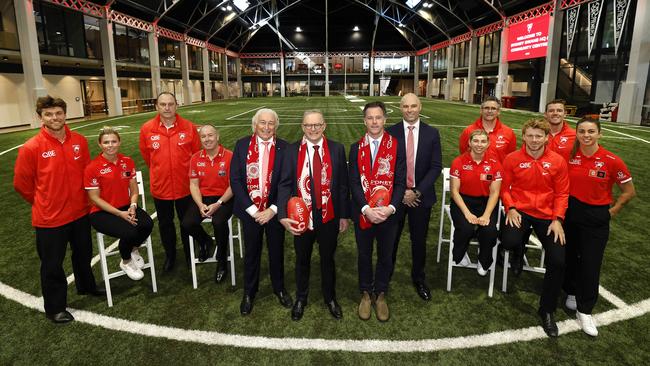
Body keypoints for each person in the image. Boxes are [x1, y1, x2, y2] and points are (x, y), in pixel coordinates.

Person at [14, 95, 104, 324]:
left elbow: (87, 173)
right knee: (52, 264)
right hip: (50, 218)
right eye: (49, 114)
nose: (55, 118)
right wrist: (44, 202)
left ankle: (86, 286)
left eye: (58, 113)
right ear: (41, 117)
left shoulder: (80, 141)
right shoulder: (31, 147)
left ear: (65, 114)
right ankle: (55, 308)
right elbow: (21, 184)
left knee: (83, 254)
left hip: (80, 212)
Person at [563, 117, 635, 336]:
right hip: (570, 212)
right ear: (577, 134)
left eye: (591, 131)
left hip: (596, 217)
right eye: (582, 131)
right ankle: (571, 292)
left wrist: (612, 211)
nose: (586, 135)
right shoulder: (569, 156)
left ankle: (585, 311)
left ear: (599, 134)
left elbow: (629, 191)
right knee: (569, 256)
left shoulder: (612, 160)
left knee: (591, 263)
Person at [278, 110, 350, 321]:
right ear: (302, 127)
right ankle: (301, 298)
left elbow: (343, 186)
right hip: (301, 215)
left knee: (328, 258)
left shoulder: (336, 149)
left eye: (317, 124)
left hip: (328, 216)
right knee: (302, 259)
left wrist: (344, 215)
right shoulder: (292, 151)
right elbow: (283, 185)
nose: (313, 129)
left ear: (324, 125)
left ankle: (330, 297)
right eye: (309, 125)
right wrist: (283, 214)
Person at [500, 118, 569, 338]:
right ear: (523, 136)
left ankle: (547, 310)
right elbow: (505, 187)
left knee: (558, 260)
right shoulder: (512, 159)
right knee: (509, 241)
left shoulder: (558, 161)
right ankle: (519, 251)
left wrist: (557, 218)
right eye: (530, 135)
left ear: (547, 138)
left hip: (548, 216)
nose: (534, 140)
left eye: (538, 136)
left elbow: (562, 193)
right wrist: (510, 207)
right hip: (520, 211)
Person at [231, 108, 293, 315]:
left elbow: (288, 183)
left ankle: (279, 288)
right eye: (262, 123)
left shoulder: (285, 147)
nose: (266, 127)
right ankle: (249, 292)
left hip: (274, 212)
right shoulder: (241, 145)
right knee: (251, 253)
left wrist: (273, 210)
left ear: (276, 126)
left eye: (271, 123)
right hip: (250, 213)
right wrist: (252, 210)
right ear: (255, 125)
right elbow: (236, 180)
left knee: (277, 252)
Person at [349, 101, 406, 322]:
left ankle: (380, 293)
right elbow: (353, 181)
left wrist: (391, 208)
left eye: (378, 117)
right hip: (364, 213)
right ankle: (365, 292)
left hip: (388, 214)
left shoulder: (396, 145)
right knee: (364, 254)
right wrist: (366, 209)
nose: (374, 122)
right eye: (370, 118)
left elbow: (400, 182)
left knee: (385, 255)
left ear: (385, 120)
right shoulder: (356, 147)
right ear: (364, 121)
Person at [386, 93, 442, 301]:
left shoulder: (432, 133)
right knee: (390, 239)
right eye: (405, 106)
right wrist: (401, 193)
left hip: (421, 197)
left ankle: (419, 278)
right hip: (396, 197)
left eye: (413, 106)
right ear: (400, 108)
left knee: (419, 240)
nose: (409, 110)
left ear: (420, 107)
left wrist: (417, 191)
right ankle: (385, 274)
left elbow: (435, 167)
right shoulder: (390, 133)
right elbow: (387, 167)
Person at [139, 92, 200, 272]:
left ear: (176, 106)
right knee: (165, 224)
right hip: (161, 187)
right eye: (163, 104)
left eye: (170, 104)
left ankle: (190, 254)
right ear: (157, 106)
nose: (167, 108)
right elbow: (147, 157)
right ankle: (170, 255)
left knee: (186, 222)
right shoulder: (147, 129)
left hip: (185, 187)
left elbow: (196, 155)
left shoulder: (188, 127)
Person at [85, 127, 154, 281]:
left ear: (119, 142)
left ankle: (133, 249)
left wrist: (133, 206)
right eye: (106, 142)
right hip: (101, 213)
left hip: (125, 206)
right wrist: (120, 214)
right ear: (100, 144)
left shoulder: (127, 161)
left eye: (114, 141)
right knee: (130, 232)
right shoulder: (92, 167)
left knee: (147, 224)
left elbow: (134, 189)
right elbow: (94, 198)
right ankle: (126, 261)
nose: (110, 145)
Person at [181, 125, 234, 283]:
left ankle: (222, 261)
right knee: (187, 223)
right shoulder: (196, 158)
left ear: (217, 136)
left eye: (210, 135)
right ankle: (205, 241)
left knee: (218, 222)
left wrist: (218, 203)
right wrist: (200, 204)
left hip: (225, 198)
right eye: (203, 136)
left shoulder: (230, 156)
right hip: (203, 198)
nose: (207, 139)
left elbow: (233, 186)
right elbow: (194, 185)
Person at [449, 129, 502, 275]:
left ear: (488, 143)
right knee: (466, 228)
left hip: (486, 203)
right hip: (463, 201)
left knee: (490, 230)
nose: (479, 144)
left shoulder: (494, 164)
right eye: (476, 141)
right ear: (470, 143)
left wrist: (486, 215)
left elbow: (495, 193)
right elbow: (454, 192)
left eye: (483, 141)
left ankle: (484, 259)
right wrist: (467, 213)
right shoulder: (458, 162)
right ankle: (460, 252)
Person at [459, 96, 516, 163]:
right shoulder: (468, 131)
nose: (489, 111)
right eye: (486, 108)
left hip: (499, 172)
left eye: (493, 108)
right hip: (475, 172)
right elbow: (463, 153)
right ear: (481, 110)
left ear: (498, 112)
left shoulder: (508, 132)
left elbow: (510, 157)